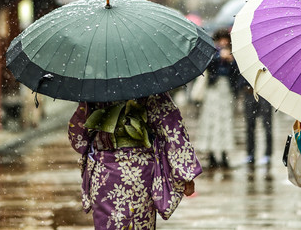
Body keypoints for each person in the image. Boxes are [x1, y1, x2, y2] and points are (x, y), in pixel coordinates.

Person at [68, 91, 202, 229]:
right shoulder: (147, 83)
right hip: (139, 170)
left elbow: (78, 138)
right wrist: (185, 173)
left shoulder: (97, 86)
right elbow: (170, 125)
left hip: (103, 171)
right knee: (138, 224)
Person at [197, 28, 237, 168]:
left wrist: (231, 60)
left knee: (225, 122)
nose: (224, 42)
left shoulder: (233, 52)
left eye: (225, 39)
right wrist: (220, 56)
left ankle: (224, 153)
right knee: (212, 120)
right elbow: (207, 65)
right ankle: (212, 154)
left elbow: (236, 72)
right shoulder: (212, 52)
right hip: (213, 89)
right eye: (221, 39)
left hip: (226, 90)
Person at [241, 75, 273, 165]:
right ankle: (250, 154)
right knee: (250, 125)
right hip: (249, 92)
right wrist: (244, 85)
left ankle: (268, 154)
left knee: (267, 125)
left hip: (265, 93)